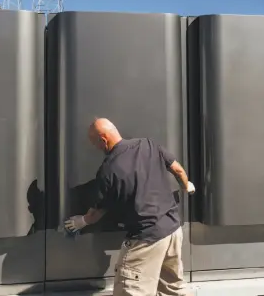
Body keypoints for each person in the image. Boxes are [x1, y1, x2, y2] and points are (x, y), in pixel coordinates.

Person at [65, 118, 195, 296]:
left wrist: (82, 221)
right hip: (173, 231)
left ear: (103, 140)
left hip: (146, 239)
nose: (95, 147)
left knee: (130, 291)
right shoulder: (148, 144)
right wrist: (186, 186)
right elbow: (178, 170)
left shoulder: (108, 170)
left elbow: (99, 210)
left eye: (94, 143)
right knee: (172, 289)